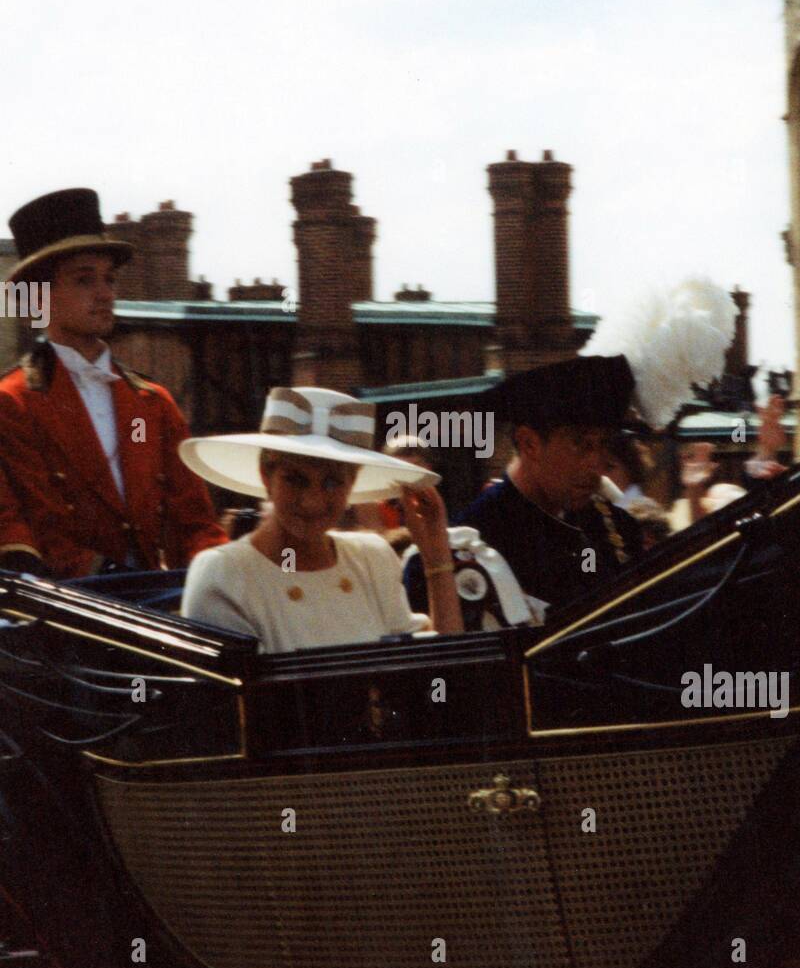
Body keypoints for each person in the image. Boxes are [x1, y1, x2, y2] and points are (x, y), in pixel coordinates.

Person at [0, 188, 227, 578]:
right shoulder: (14, 403)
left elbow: (195, 523)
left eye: (109, 280)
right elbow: (29, 533)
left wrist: (221, 573)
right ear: (40, 298)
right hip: (72, 610)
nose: (105, 294)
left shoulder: (152, 403)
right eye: (84, 280)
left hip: (162, 602)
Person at [180, 386, 464, 652]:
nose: (312, 501)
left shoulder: (371, 558)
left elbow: (439, 671)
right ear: (267, 476)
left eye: (331, 483)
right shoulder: (225, 573)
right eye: (295, 480)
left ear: (351, 485)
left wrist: (436, 556)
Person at [406, 356, 644, 622]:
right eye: (581, 444)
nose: (597, 464)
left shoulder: (617, 529)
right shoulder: (466, 549)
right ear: (529, 444)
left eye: (604, 445)